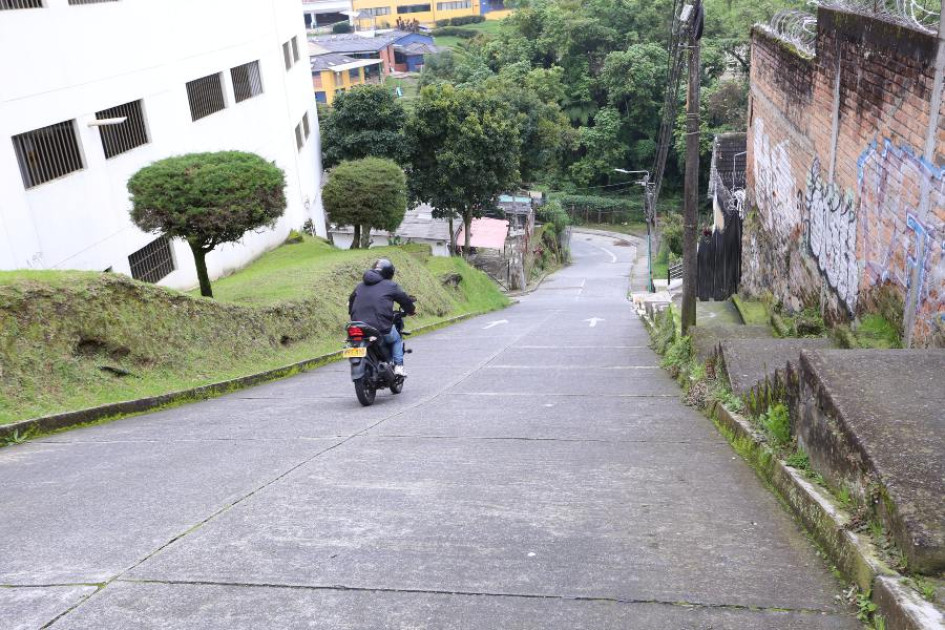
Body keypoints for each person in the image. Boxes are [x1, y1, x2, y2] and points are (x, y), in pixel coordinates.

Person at [348, 258, 416, 376]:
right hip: (380, 326)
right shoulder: (391, 285)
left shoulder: (359, 286)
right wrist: (411, 310)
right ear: (390, 273)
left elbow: (351, 301)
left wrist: (352, 314)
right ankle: (399, 367)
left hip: (357, 325)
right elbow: (404, 300)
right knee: (396, 339)